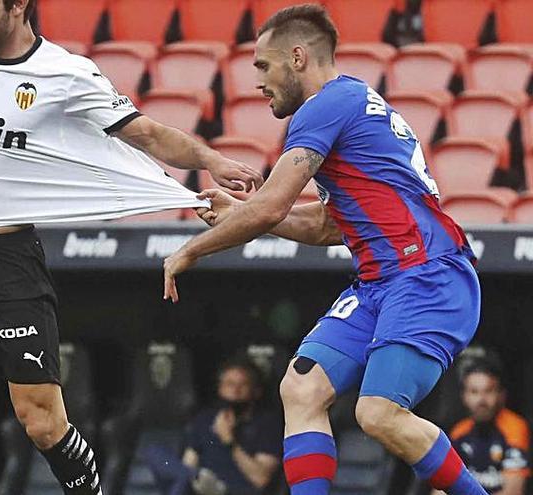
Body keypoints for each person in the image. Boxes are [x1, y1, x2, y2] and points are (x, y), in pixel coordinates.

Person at [0, 0, 264, 494]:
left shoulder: (64, 74)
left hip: (6, 269)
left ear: (17, 7)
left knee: (42, 423)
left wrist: (209, 158)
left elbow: (147, 133)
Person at [162, 4, 487, 495]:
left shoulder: (326, 105)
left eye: (264, 66)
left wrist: (192, 250)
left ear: (297, 58)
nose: (257, 81)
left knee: (377, 413)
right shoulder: (352, 105)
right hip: (383, 281)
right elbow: (325, 225)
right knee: (301, 386)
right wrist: (238, 215)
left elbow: (271, 205)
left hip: (426, 275)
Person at [145, 357, 281, 495]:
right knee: (154, 452)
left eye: (242, 385)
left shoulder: (268, 425)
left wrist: (229, 441)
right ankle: (198, 477)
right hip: (200, 487)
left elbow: (261, 479)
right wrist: (192, 478)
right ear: (220, 388)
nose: (235, 390)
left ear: (256, 391)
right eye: (229, 384)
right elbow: (188, 462)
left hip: (233, 491)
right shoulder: (205, 419)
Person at [432, 359, 529, 495]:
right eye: (474, 392)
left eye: (488, 391)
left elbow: (513, 491)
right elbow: (440, 490)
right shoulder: (459, 432)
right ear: (464, 396)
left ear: (501, 395)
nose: (481, 400)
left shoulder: (514, 428)